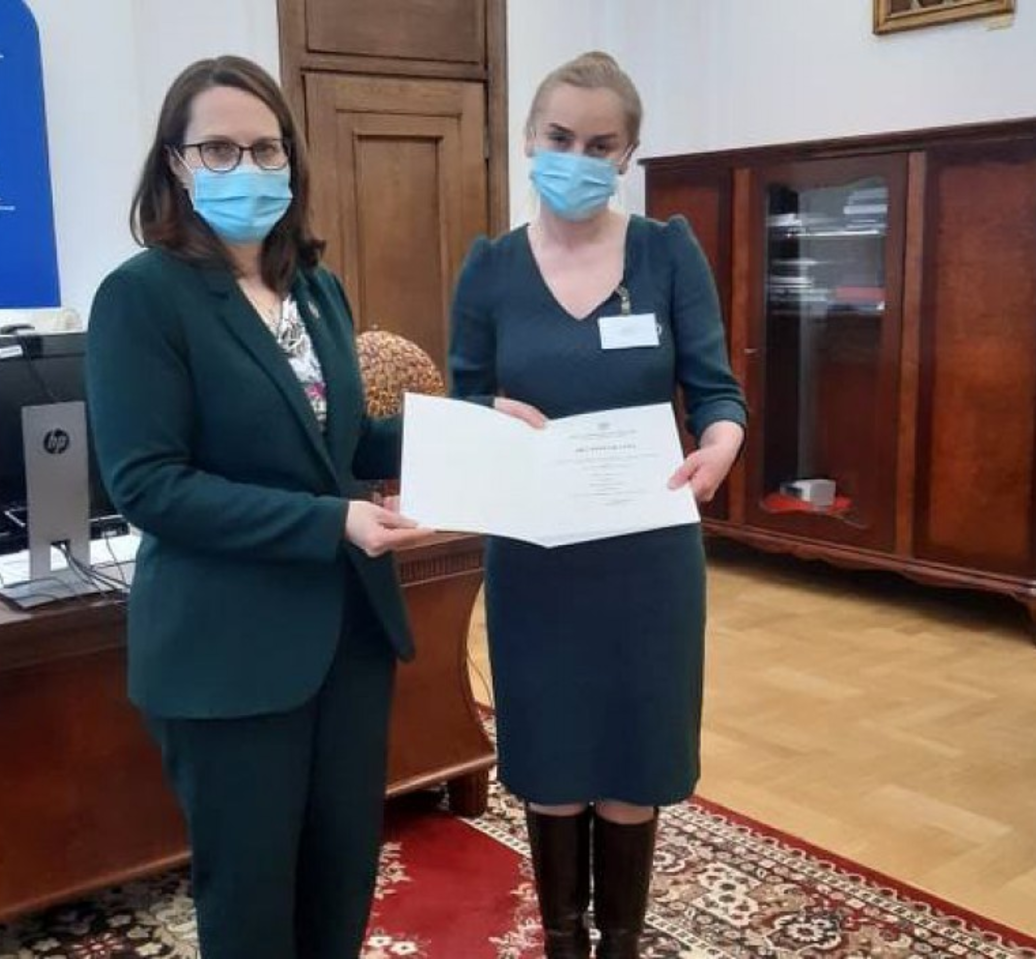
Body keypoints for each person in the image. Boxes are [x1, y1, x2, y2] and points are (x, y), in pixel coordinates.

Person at [85, 55, 430, 959]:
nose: (248, 167)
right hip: (227, 653)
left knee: (341, 875)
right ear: (176, 163)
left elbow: (341, 446)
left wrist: (467, 433)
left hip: (348, 637)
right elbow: (149, 484)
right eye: (220, 149)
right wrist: (333, 521)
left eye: (266, 148)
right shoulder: (141, 297)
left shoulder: (315, 288)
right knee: (251, 895)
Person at [448, 51, 747, 959]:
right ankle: (563, 940)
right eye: (560, 137)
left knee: (632, 758)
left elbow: (717, 391)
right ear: (528, 139)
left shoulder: (667, 253)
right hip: (535, 563)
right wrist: (485, 415)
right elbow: (464, 399)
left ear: (627, 154)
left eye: (600, 144)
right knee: (551, 758)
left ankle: (620, 942)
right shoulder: (490, 269)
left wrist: (722, 442)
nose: (577, 157)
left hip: (647, 561)